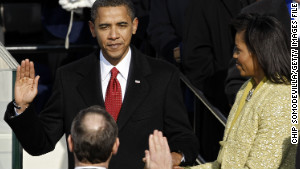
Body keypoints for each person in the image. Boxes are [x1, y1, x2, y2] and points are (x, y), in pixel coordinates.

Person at [3, 0, 199, 169]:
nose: (113, 35)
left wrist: (172, 158)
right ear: (92, 29)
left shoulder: (162, 76)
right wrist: (22, 107)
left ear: (134, 26)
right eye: (105, 26)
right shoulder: (69, 77)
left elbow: (185, 139)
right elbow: (40, 144)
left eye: (121, 25)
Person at [145, 13, 299, 169]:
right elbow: (223, 165)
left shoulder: (282, 99)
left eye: (239, 50)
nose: (234, 56)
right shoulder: (247, 87)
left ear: (259, 53)